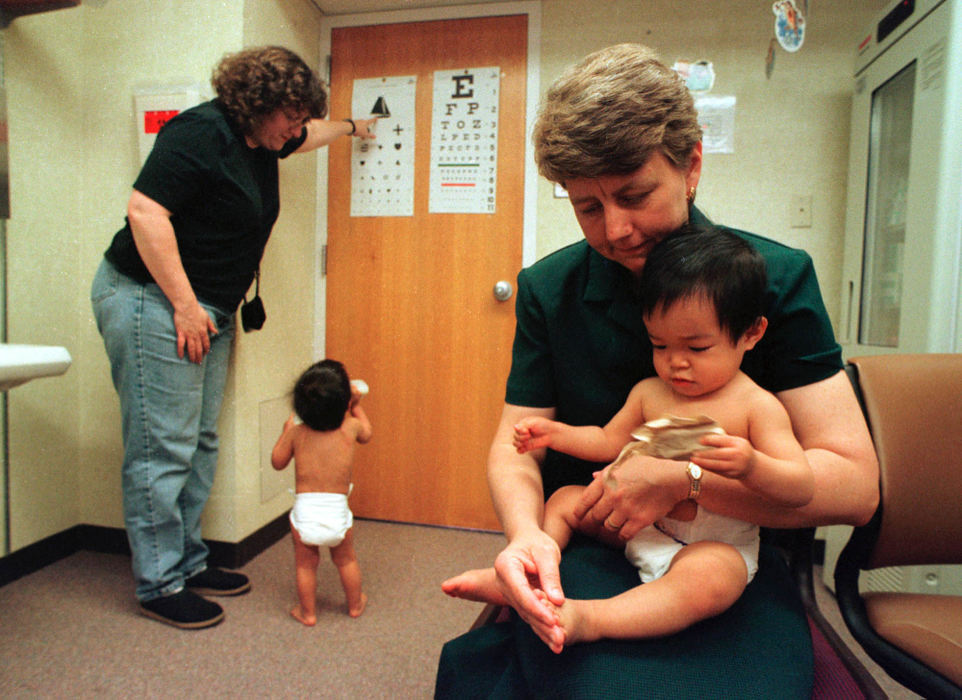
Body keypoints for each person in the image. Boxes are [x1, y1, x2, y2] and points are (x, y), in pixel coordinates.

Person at [435, 43, 878, 698]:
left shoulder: (775, 281)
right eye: (587, 207)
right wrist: (528, 536)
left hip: (725, 560)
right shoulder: (548, 289)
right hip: (596, 546)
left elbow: (854, 486)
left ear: (691, 163)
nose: (615, 230)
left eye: (634, 195)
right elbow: (516, 443)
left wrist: (686, 481)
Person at [91, 45, 377, 630]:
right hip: (154, 300)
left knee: (199, 439)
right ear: (258, 105)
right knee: (162, 445)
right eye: (290, 117)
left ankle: (191, 561)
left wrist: (351, 126)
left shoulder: (266, 138)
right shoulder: (200, 134)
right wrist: (184, 304)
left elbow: (312, 133)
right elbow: (146, 212)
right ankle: (160, 581)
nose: (297, 129)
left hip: (209, 309)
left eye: (301, 118)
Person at [442, 225, 814, 653]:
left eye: (697, 349)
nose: (676, 363)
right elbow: (606, 441)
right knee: (564, 499)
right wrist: (554, 433)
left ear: (751, 333)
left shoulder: (757, 406)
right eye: (660, 344)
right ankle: (527, 572)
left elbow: (800, 487)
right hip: (638, 526)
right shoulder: (650, 393)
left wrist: (753, 465)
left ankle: (588, 619)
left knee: (715, 577)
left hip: (711, 542)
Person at [271, 359, 373, 626]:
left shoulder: (297, 433)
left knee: (305, 565)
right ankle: (354, 604)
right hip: (336, 511)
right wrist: (357, 406)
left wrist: (285, 433)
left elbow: (277, 462)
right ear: (343, 403)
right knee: (346, 560)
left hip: (305, 512)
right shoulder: (350, 427)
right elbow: (367, 434)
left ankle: (308, 613)